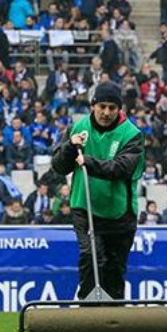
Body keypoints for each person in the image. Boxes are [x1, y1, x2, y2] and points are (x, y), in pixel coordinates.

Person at [51, 82, 144, 300]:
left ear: (119, 108)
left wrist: (89, 162)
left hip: (120, 213)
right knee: (91, 257)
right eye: (102, 106)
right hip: (85, 207)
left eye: (112, 108)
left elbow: (122, 168)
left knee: (114, 269)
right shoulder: (78, 127)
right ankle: (87, 307)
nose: (106, 112)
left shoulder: (132, 134)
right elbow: (58, 166)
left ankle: (114, 313)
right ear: (93, 106)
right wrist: (69, 147)